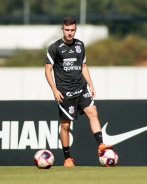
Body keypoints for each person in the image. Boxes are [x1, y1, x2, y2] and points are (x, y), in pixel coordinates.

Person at [45, 17, 113, 167]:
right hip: (65, 92)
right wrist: (54, 90)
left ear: (75, 30)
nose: (70, 33)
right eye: (67, 30)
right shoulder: (54, 48)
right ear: (62, 29)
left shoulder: (80, 45)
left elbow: (83, 66)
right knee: (65, 126)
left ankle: (101, 145)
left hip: (81, 88)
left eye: (72, 30)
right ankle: (67, 158)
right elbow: (48, 70)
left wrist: (91, 85)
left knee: (93, 112)